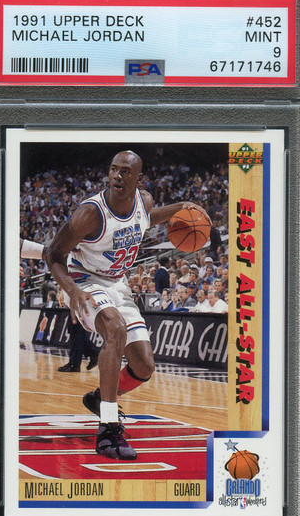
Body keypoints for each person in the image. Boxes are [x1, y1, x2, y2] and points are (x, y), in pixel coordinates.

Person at [43, 151, 208, 461]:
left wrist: (181, 208)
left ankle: (99, 398)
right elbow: (52, 254)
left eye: (125, 171)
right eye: (113, 169)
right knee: (115, 329)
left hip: (118, 283)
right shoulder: (90, 214)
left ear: (138, 179)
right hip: (84, 280)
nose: (117, 175)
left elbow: (147, 218)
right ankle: (108, 428)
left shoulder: (144, 202)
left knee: (144, 366)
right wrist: (71, 290)